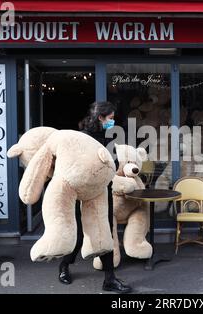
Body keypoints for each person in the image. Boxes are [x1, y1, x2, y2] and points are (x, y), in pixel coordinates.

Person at [59, 101, 132, 294]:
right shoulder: (82, 138)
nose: (112, 121)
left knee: (104, 233)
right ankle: (64, 266)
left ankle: (110, 279)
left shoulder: (109, 138)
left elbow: (114, 163)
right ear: (100, 118)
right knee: (79, 235)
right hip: (81, 193)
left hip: (102, 192)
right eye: (110, 118)